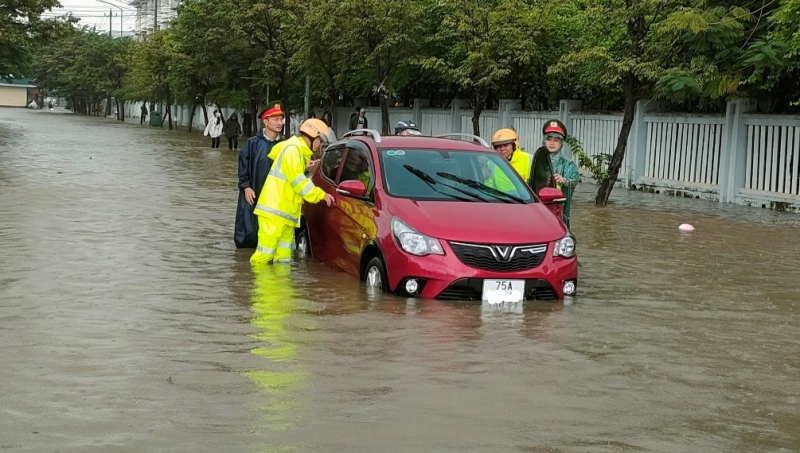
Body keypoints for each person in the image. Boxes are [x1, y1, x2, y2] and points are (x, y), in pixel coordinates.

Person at [250, 119, 337, 264]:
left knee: (283, 260)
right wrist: (321, 194)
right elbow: (299, 183)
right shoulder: (292, 150)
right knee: (263, 258)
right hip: (275, 212)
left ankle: (280, 287)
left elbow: (293, 177)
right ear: (312, 137)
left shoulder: (298, 151)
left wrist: (305, 167)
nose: (320, 145)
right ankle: (259, 287)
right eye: (320, 141)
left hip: (285, 214)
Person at [235, 104, 285, 249]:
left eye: (281, 119)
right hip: (254, 193)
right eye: (276, 119)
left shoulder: (285, 145)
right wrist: (246, 187)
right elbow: (243, 169)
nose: (280, 122)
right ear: (265, 121)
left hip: (276, 198)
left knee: (274, 240)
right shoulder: (252, 144)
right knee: (249, 236)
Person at [540, 119, 579, 229]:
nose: (552, 143)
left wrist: (564, 181)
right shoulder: (536, 161)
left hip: (559, 214)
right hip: (538, 212)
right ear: (544, 141)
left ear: (561, 143)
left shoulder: (568, 164)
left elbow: (574, 182)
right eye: (549, 139)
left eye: (556, 140)